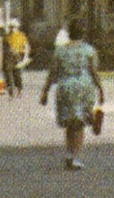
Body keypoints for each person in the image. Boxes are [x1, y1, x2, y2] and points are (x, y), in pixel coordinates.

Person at [39, 19, 105, 170]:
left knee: (69, 122)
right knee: (79, 123)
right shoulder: (89, 51)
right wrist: (100, 90)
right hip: (83, 88)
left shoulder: (60, 51)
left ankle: (69, 154)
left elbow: (52, 73)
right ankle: (75, 157)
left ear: (68, 34)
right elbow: (94, 72)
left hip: (65, 88)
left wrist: (45, 91)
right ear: (83, 33)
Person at [3, 19, 31, 99]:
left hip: (17, 56)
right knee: (8, 75)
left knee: (17, 74)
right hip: (8, 57)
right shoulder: (7, 36)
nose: (12, 29)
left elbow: (27, 47)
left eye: (14, 27)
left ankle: (19, 90)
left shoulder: (21, 36)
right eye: (11, 27)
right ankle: (11, 92)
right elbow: (4, 48)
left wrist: (25, 57)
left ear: (17, 27)